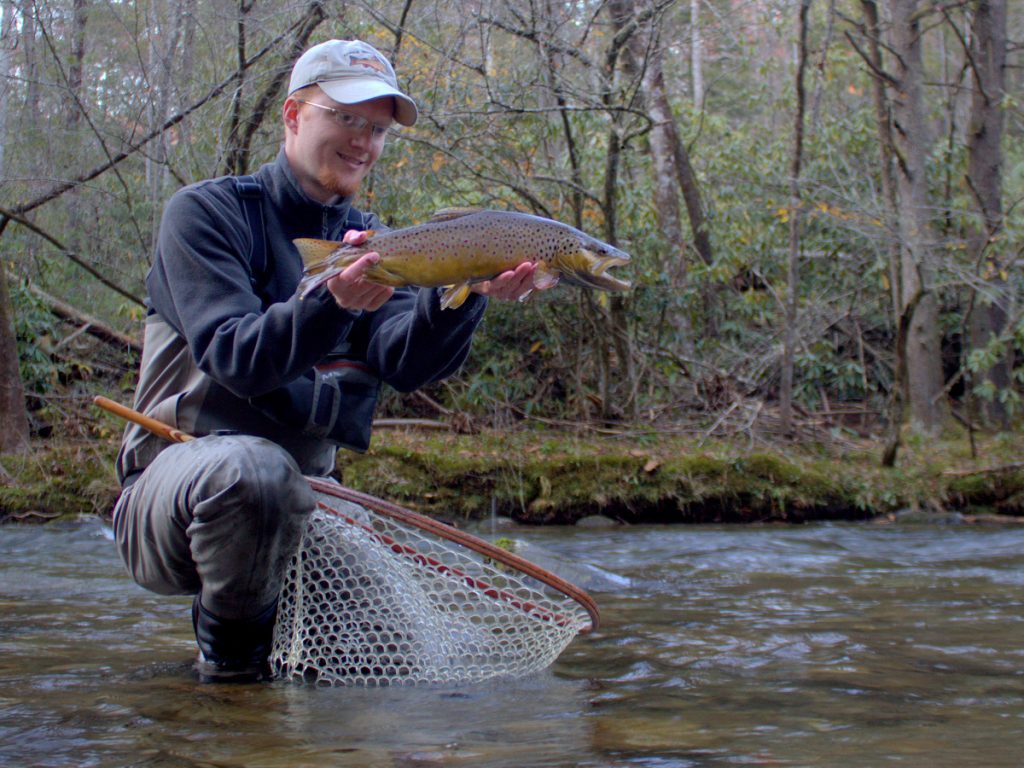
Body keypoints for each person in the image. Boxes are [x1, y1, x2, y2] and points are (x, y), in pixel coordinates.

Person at [112, 39, 540, 682]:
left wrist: (466, 296)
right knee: (255, 474)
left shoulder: (374, 243)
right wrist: (330, 306)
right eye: (344, 117)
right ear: (292, 115)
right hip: (175, 494)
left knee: (399, 672)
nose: (362, 140)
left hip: (317, 505)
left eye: (377, 128)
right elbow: (236, 356)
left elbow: (406, 362)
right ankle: (231, 673)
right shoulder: (205, 214)